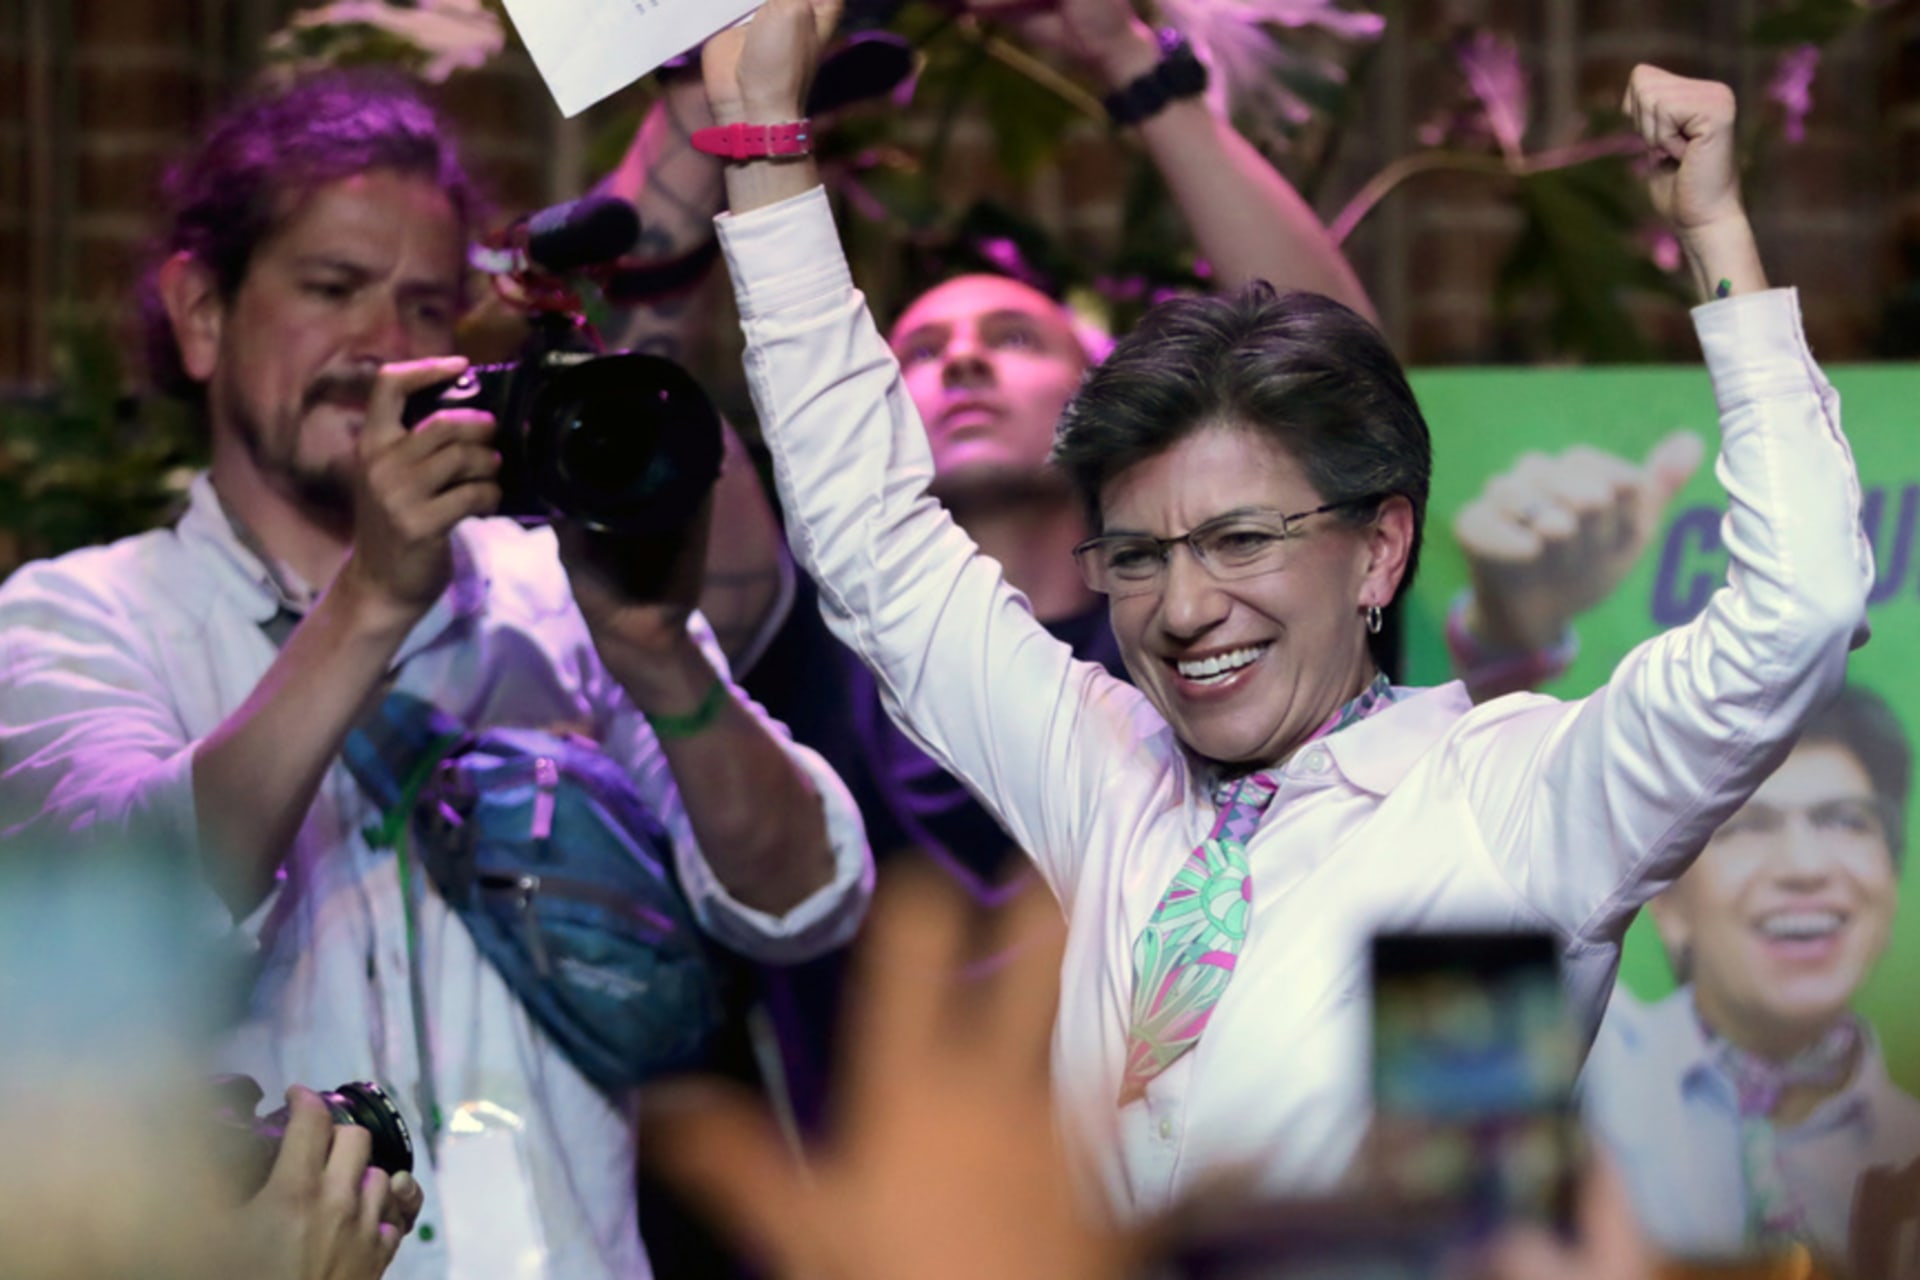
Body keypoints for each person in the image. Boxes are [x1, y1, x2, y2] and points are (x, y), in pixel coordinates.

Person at [699, 0, 1871, 1225]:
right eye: (1140, 555)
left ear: (1379, 550)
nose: (1187, 607)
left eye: (1243, 539)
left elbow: (1799, 609)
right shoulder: (1105, 779)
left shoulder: (1515, 794)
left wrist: (1718, 242)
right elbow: (874, 546)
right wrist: (764, 145)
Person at [0, 70, 872, 1280]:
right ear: (201, 313)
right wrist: (372, 601)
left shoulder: (552, 590)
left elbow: (809, 895)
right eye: (331, 288)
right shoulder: (75, 614)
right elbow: (122, 922)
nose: (381, 345)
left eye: (424, 304)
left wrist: (658, 654)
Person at [604, 0, 1375, 1121]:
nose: (963, 360)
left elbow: (1344, 394)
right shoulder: (810, 630)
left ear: (1107, 393)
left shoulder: (1231, 632)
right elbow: (634, 409)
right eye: (919, 350)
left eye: (1013, 340)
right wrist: (698, 94)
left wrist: (1125, 58)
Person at [1583, 684, 1920, 1275]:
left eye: (1845, 821)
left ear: (1891, 885)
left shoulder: (1908, 1142)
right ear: (1666, 903)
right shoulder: (1582, 1072)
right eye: (1747, 826)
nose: (1805, 868)